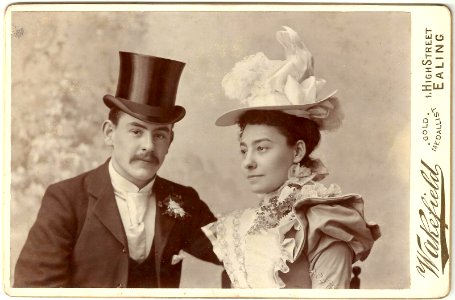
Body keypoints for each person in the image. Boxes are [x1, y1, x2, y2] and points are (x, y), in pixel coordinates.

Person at [14, 51, 219, 288]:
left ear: (170, 141)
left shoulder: (183, 201)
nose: (148, 146)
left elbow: (236, 252)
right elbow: (34, 288)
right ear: (110, 133)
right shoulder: (66, 199)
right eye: (136, 131)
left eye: (160, 134)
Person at [202, 27, 381, 289]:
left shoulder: (322, 223)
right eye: (244, 149)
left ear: (297, 151)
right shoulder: (236, 227)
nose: (247, 161)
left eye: (262, 148)